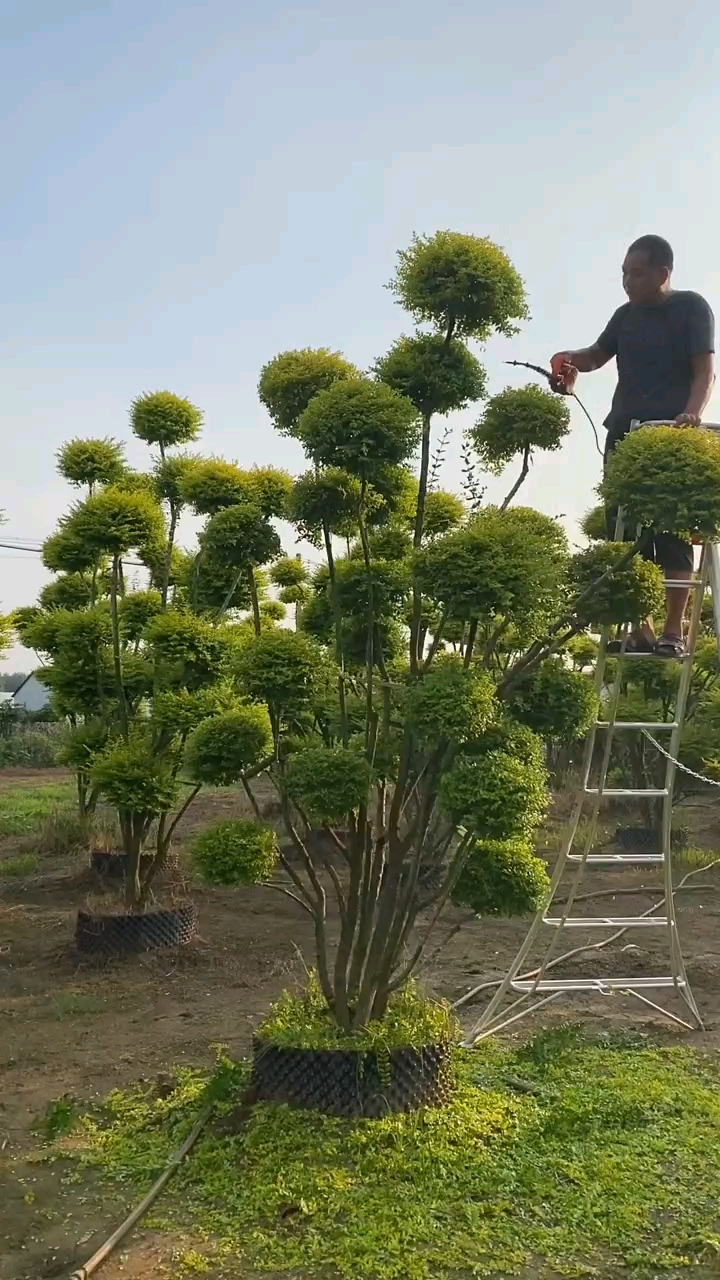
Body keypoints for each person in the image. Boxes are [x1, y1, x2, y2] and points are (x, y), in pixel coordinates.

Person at [552, 234, 715, 657]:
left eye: (636, 273)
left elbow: (704, 372)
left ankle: (672, 632)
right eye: (624, 273)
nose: (627, 281)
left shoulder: (691, 308)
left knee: (672, 533)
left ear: (662, 273)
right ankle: (640, 630)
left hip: (671, 435)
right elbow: (595, 355)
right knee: (624, 535)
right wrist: (568, 360)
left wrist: (692, 415)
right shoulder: (624, 317)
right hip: (624, 434)